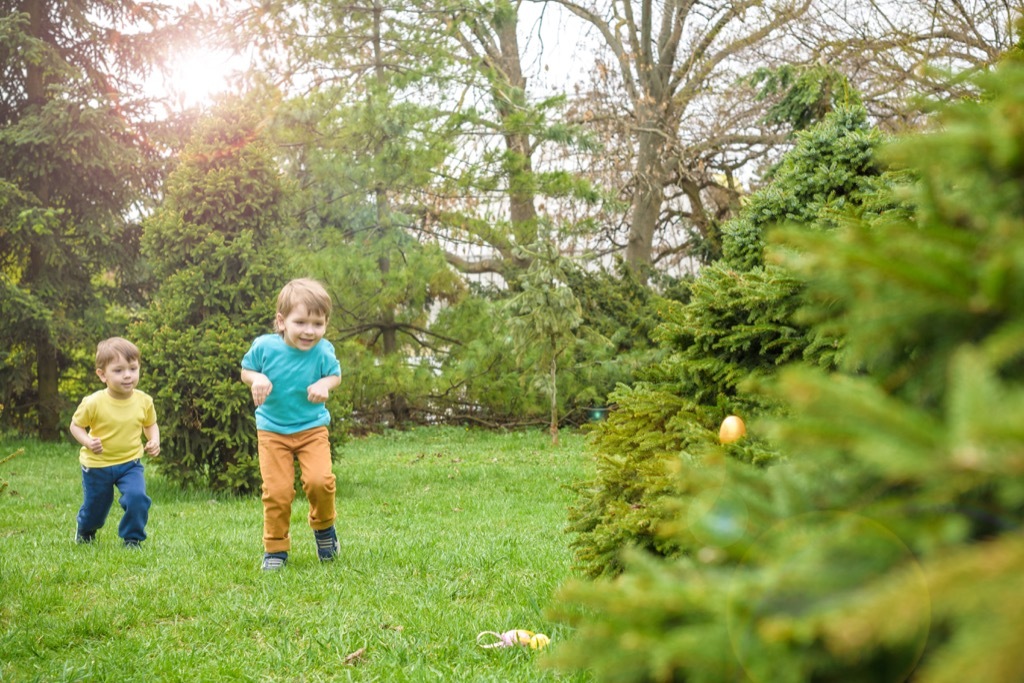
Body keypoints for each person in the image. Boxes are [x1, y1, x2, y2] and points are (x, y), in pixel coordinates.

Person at [241, 278, 342, 571]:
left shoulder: (323, 351)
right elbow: (247, 370)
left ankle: (324, 530)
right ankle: (275, 549)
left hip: (312, 429)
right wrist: (257, 378)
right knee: (278, 491)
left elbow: (334, 375)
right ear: (281, 321)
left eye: (318, 323)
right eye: (301, 322)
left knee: (320, 482)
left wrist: (325, 383)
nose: (310, 331)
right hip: (272, 431)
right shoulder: (264, 347)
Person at [70, 337, 160, 547]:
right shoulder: (93, 402)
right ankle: (85, 528)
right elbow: (75, 426)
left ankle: (132, 539)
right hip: (97, 465)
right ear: (102, 375)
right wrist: (88, 441)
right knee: (96, 508)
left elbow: (150, 424)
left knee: (137, 498)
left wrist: (154, 440)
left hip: (130, 463)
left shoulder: (144, 401)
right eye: (118, 370)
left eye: (133, 368)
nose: (127, 375)